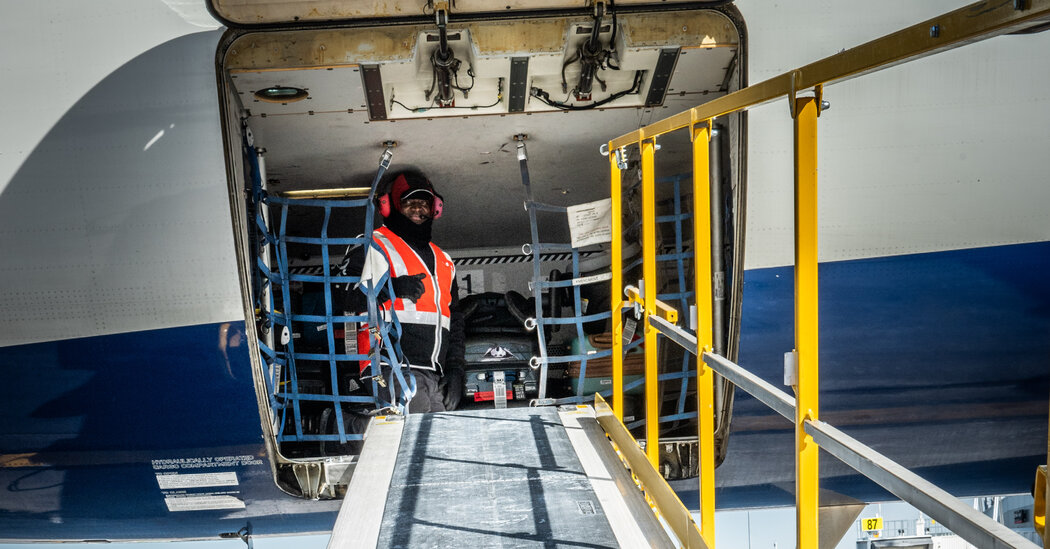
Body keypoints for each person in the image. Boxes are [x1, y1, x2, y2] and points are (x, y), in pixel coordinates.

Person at [338, 169, 465, 413]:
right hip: (386, 367)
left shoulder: (445, 260)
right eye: (409, 203)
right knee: (418, 434)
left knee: (440, 437)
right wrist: (391, 289)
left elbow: (455, 321)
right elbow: (341, 298)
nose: (418, 210)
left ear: (435, 208)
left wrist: (456, 370)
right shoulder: (373, 245)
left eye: (424, 203)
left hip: (432, 375)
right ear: (390, 206)